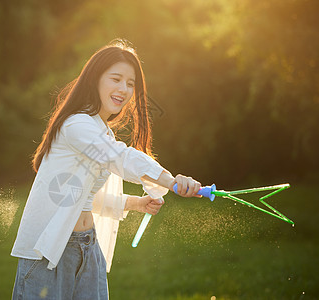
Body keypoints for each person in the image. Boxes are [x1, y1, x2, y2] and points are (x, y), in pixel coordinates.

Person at [11, 39, 202, 300]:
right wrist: (170, 180)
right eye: (116, 79)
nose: (123, 89)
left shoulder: (101, 131)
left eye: (130, 83)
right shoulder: (76, 125)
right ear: (95, 79)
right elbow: (120, 157)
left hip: (88, 247)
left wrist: (135, 203)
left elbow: (80, 196)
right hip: (49, 249)